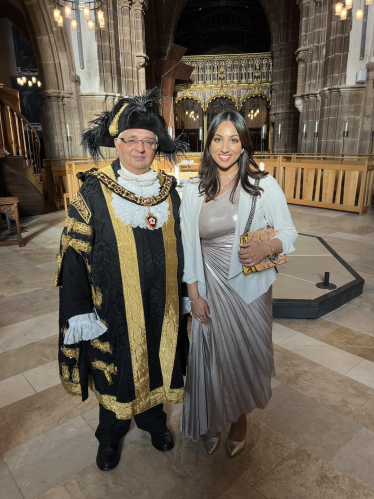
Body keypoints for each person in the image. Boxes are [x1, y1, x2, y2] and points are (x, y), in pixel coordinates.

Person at [55, 89, 188, 471]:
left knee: (158, 362)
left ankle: (153, 422)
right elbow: (73, 256)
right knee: (118, 372)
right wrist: (79, 310)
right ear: (118, 143)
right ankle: (110, 436)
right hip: (111, 309)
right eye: (132, 140)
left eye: (148, 141)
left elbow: (182, 247)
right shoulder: (93, 192)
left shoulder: (169, 191)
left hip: (161, 305)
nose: (141, 148)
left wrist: (187, 293)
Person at [180, 110, 297, 458]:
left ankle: (240, 420)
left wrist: (267, 246)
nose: (225, 147)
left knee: (245, 356)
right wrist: (193, 295)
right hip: (209, 288)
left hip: (250, 292)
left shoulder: (263, 184)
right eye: (218, 138)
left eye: (233, 139)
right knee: (213, 358)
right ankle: (214, 417)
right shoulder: (192, 190)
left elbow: (289, 232)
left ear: (244, 143)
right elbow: (189, 245)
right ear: (208, 142)